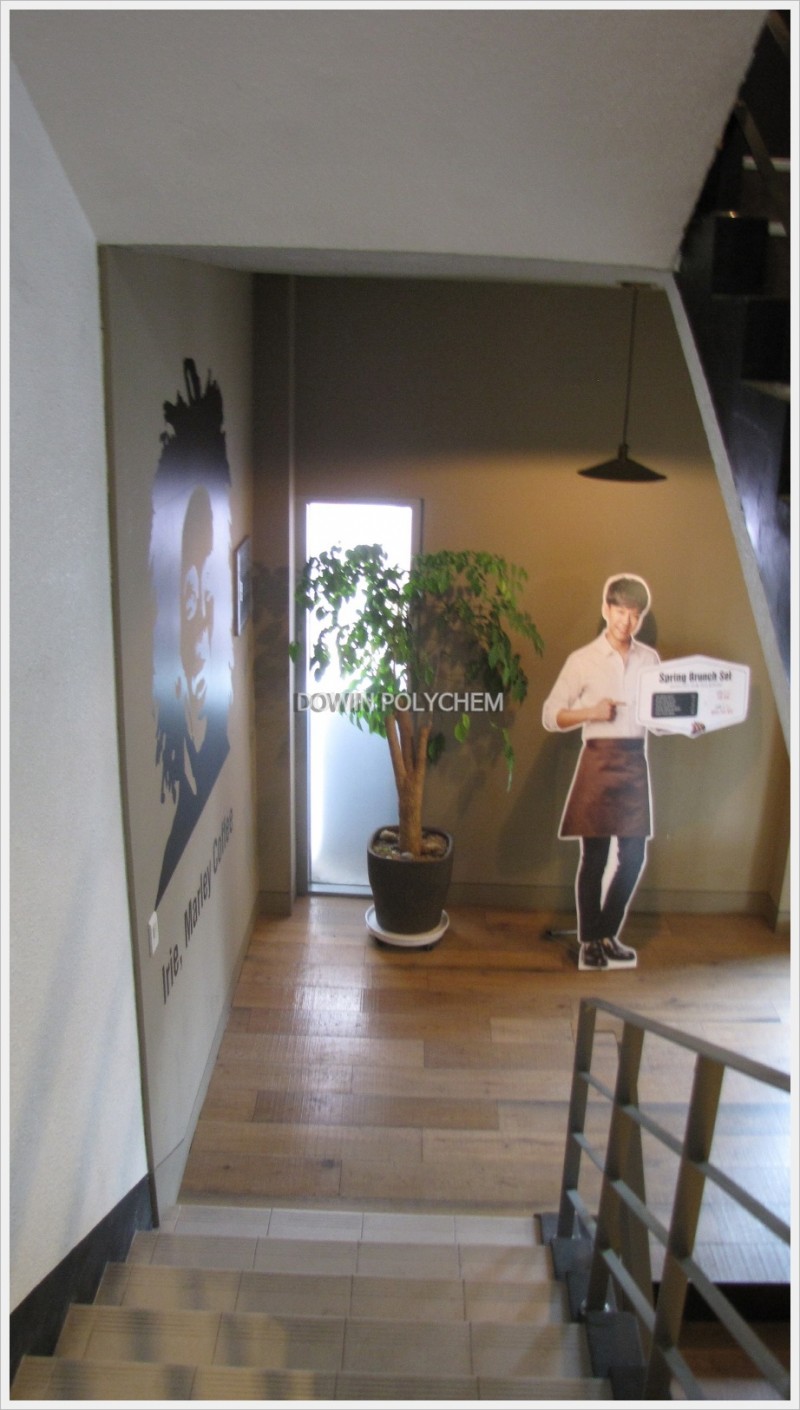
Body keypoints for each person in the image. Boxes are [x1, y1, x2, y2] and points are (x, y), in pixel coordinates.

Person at [542, 574, 658, 971]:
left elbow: (658, 718)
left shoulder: (649, 660)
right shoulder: (583, 660)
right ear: (606, 609)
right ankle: (590, 941)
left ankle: (607, 933)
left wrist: (687, 724)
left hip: (634, 762)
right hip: (597, 761)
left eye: (635, 614)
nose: (627, 621)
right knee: (594, 859)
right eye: (620, 611)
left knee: (634, 857)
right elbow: (551, 715)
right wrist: (591, 711)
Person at [150, 360, 233, 908]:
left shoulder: (218, 750)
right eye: (187, 588)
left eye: (211, 584)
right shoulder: (174, 799)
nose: (203, 618)